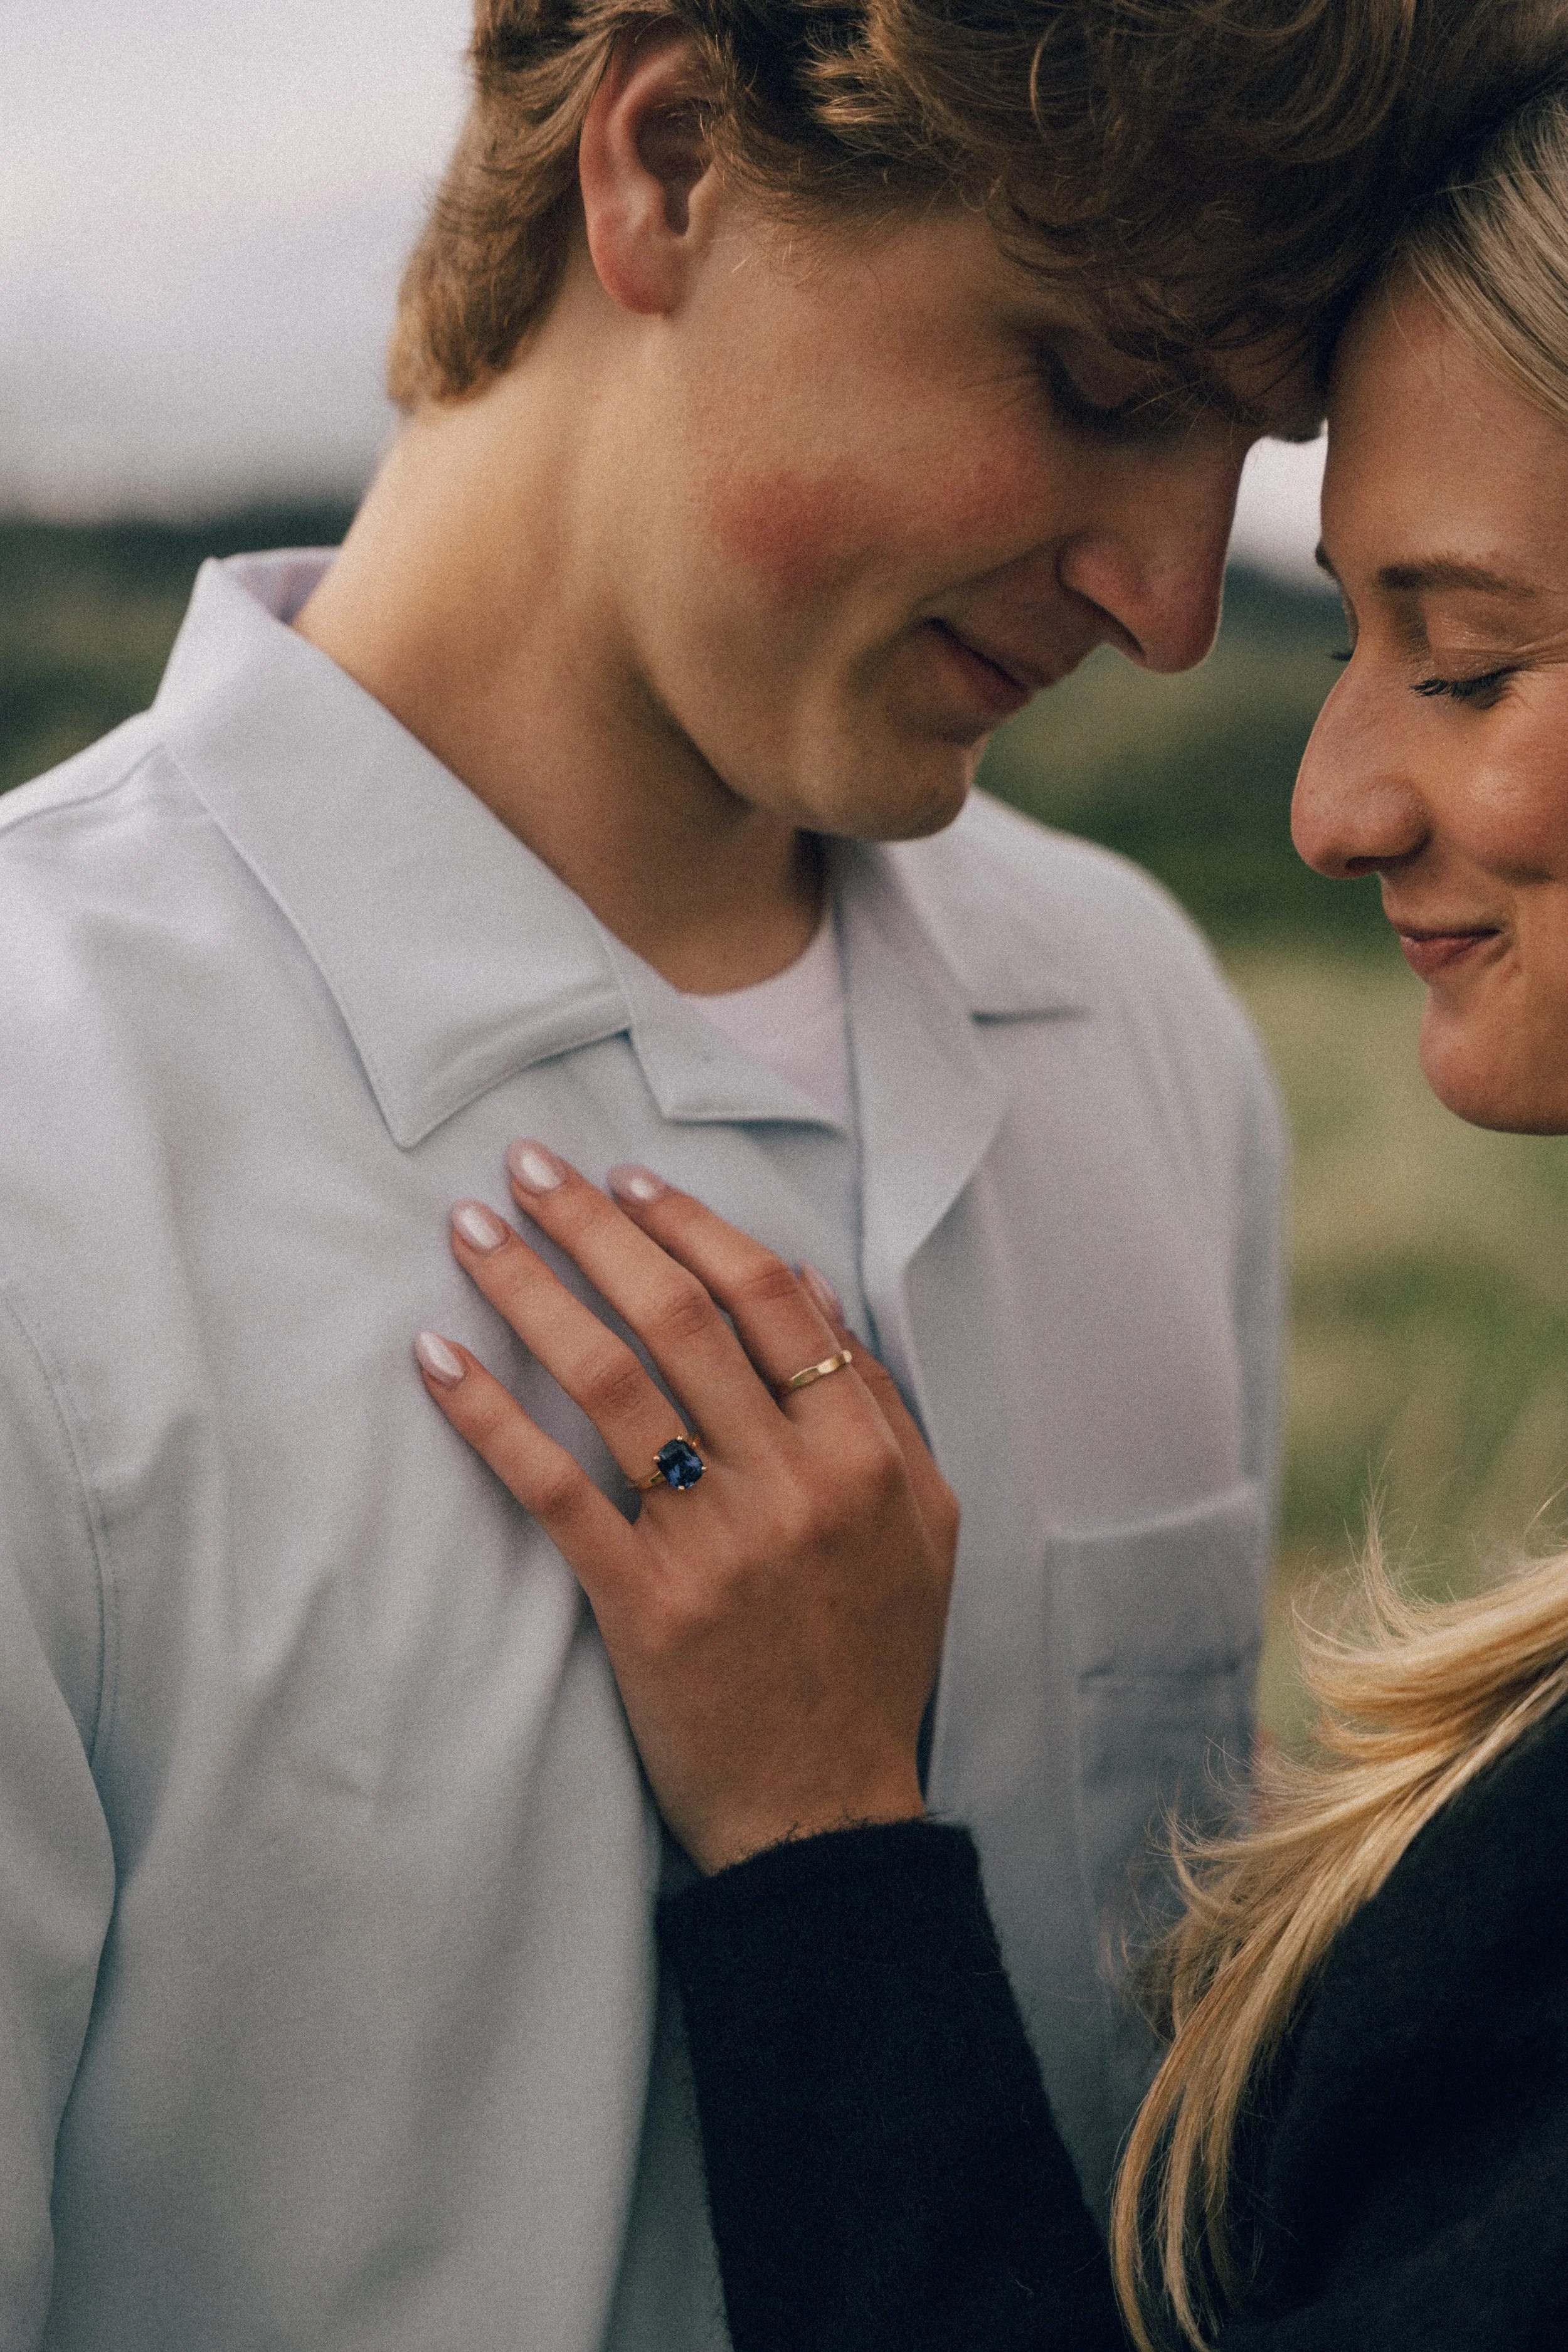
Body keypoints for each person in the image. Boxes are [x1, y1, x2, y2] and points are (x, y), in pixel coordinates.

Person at [0, 4, 1552, 2346]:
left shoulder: (1135, 1027)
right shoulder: (43, 1128)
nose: (1157, 600)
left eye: (1235, 447)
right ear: (666, 160)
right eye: (1100, 387)